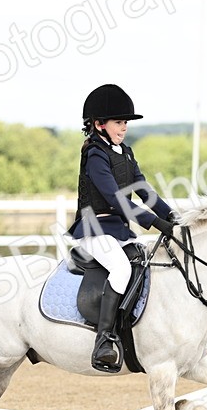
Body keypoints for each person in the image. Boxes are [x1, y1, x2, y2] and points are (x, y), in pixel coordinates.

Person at [68, 83, 176, 373]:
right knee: (122, 269)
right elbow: (115, 197)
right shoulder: (94, 154)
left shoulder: (125, 152)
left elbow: (143, 189)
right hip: (92, 229)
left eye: (125, 122)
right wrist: (153, 222)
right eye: (119, 122)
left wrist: (171, 215)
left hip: (117, 230)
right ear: (99, 124)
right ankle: (104, 340)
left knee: (146, 264)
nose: (124, 127)